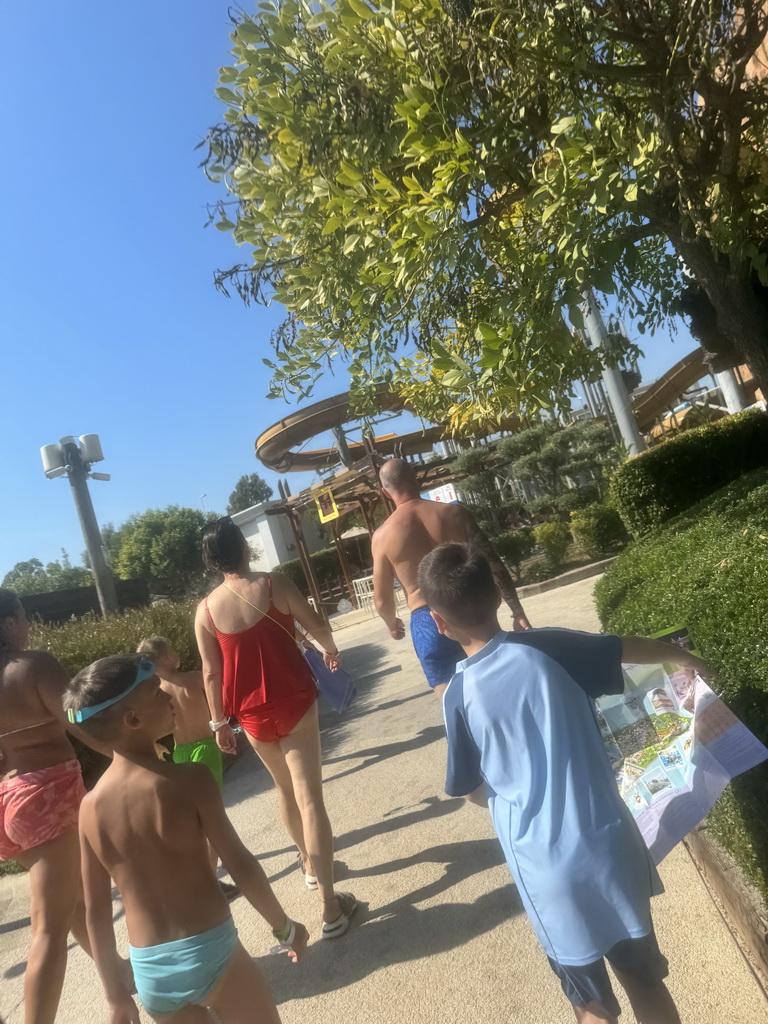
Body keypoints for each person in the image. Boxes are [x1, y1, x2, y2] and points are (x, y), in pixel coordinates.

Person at [417, 544, 708, 1024]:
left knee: (590, 1005)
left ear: (439, 623)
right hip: (609, 846)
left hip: (545, 872)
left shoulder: (459, 696)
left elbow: (470, 789)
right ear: (496, 593)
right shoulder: (548, 647)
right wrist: (693, 662)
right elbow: (627, 647)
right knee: (644, 982)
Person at [66, 652, 309, 1024]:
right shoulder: (190, 780)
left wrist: (116, 994)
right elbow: (238, 861)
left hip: (151, 972)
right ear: (132, 719)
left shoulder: (90, 809)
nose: (167, 695)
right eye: (155, 692)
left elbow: (97, 910)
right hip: (211, 951)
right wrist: (284, 927)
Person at [195, 517, 357, 939]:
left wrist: (218, 724)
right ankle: (330, 908)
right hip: (295, 699)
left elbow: (211, 674)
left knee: (284, 791)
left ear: (212, 561)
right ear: (244, 547)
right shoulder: (274, 585)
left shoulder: (206, 611)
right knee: (309, 798)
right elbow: (314, 621)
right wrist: (330, 648)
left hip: (249, 714)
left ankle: (306, 863)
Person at [0, 588, 127, 1024]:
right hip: (47, 796)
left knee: (71, 904)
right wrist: (125, 755)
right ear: (12, 622)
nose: (28, 624)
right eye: (23, 616)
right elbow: (79, 721)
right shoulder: (34, 666)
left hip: (9, 800)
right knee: (48, 927)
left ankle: (119, 972)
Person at [372, 458, 532, 698]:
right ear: (415, 479)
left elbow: (382, 600)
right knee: (502, 686)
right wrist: (517, 612)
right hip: (469, 602)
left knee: (452, 701)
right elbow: (493, 563)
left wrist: (391, 623)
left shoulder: (382, 536)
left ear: (385, 492)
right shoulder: (456, 514)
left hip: (427, 617)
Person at [136, 635, 239, 899]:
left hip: (180, 752)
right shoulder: (195, 678)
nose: (176, 651)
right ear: (167, 657)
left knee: (194, 817)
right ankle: (210, 877)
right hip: (205, 748)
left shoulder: (155, 692)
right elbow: (221, 692)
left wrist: (156, 745)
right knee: (211, 814)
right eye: (172, 649)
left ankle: (201, 873)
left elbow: (146, 724)